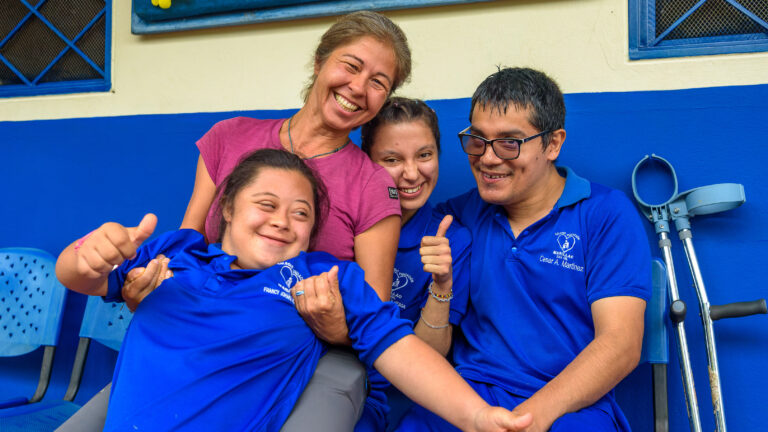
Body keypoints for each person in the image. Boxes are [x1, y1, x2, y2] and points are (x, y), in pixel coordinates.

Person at [58, 11, 412, 432]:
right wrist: (149, 289)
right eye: (351, 66)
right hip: (204, 349)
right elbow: (190, 246)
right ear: (319, 62)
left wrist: (336, 330)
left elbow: (370, 314)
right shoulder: (230, 137)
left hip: (305, 355)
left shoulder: (372, 184)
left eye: (378, 83)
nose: (358, 87)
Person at [55, 149, 533, 432]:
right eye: (265, 204)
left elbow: (397, 347)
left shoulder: (320, 276)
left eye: (301, 214)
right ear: (226, 210)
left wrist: (476, 416)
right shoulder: (175, 254)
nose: (282, 222)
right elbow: (80, 277)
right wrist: (86, 256)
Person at [396, 68, 651, 431]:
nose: (486, 158)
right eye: (477, 140)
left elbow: (620, 344)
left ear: (552, 144)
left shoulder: (604, 214)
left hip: (569, 409)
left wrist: (524, 420)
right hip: (467, 399)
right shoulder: (457, 218)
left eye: (509, 143)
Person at [359, 97, 472, 430]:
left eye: (424, 155)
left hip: (410, 400)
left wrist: (441, 285)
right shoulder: (343, 225)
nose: (411, 174)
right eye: (392, 159)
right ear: (367, 161)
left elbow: (429, 356)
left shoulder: (450, 238)